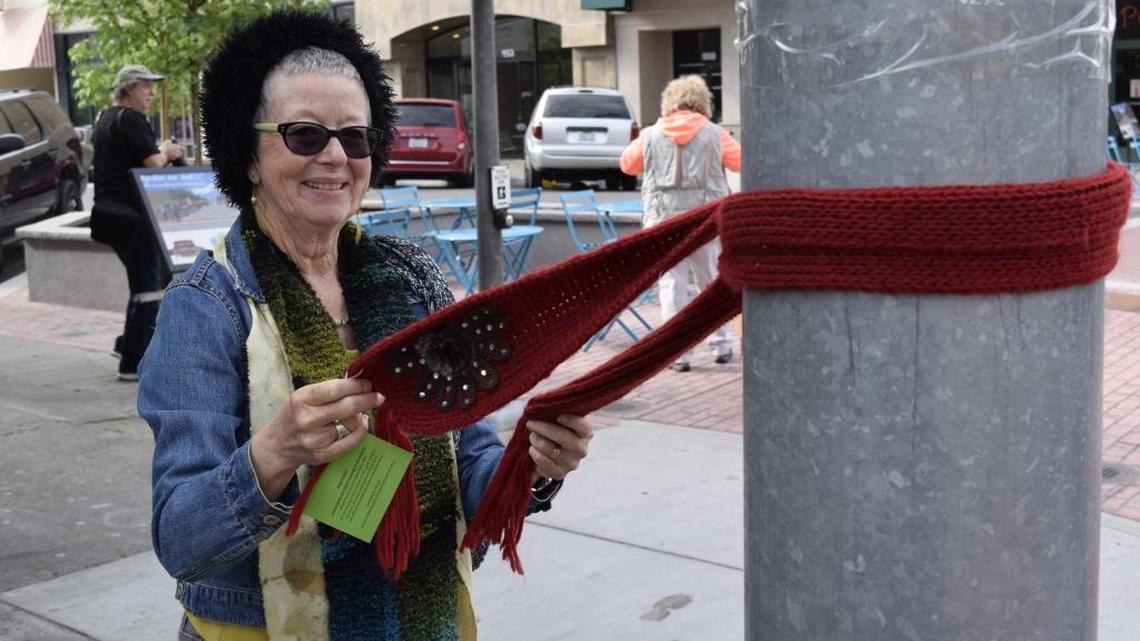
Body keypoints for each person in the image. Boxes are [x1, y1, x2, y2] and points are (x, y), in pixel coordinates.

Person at [137, 11, 592, 641]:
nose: (335, 156)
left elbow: (474, 464)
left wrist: (533, 464)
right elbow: (181, 539)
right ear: (247, 155)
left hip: (423, 619)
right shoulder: (206, 307)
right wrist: (276, 451)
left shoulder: (411, 282)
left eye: (355, 138)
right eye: (304, 135)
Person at [620, 75, 741, 372]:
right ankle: (722, 344)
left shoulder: (649, 135)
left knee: (672, 285)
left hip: (663, 223)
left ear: (669, 103)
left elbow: (627, 165)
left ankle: (678, 354)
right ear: (703, 103)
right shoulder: (716, 134)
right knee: (712, 281)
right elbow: (741, 162)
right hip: (705, 221)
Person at [90, 64, 185, 381]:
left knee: (141, 285)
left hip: (110, 215)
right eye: (146, 86)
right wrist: (169, 151)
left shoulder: (106, 118)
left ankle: (126, 344)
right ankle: (133, 361)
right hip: (134, 217)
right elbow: (154, 163)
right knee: (147, 289)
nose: (151, 93)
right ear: (129, 88)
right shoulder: (130, 119)